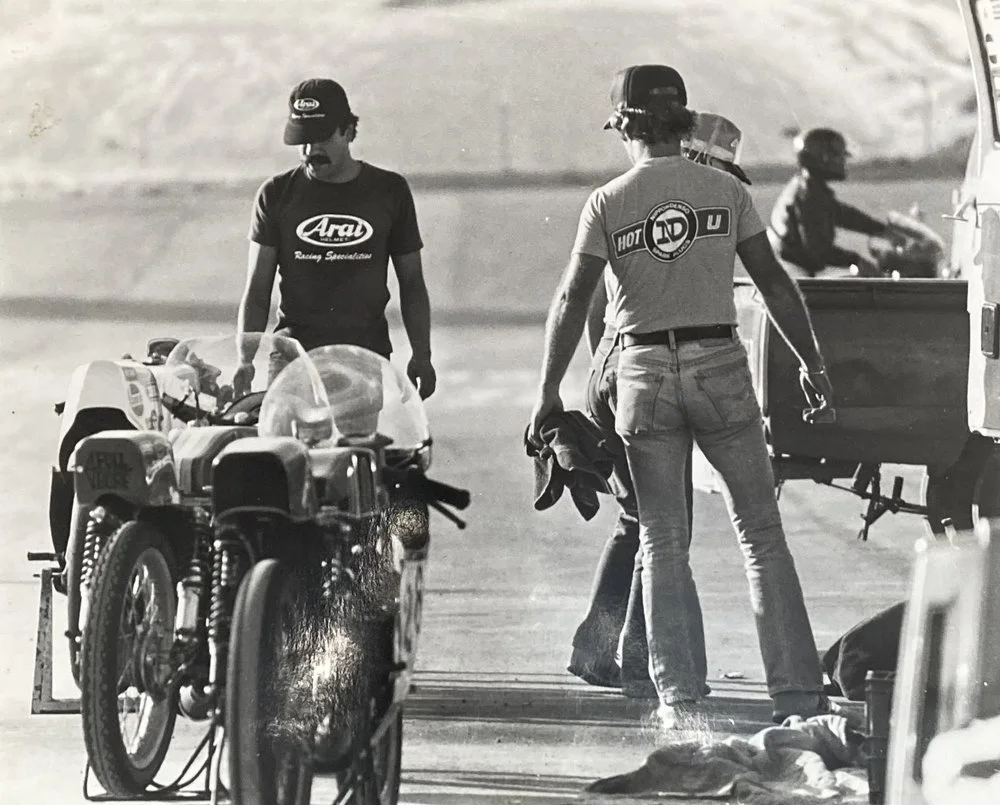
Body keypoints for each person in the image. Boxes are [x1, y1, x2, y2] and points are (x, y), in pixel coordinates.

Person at [527, 64, 834, 725]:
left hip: (641, 373)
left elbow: (574, 297)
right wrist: (811, 363)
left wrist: (548, 390)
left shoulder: (607, 202)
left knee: (661, 541)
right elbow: (774, 284)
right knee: (762, 535)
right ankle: (797, 693)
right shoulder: (725, 189)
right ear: (683, 121)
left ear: (625, 127)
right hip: (719, 361)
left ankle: (680, 698)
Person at [569, 112, 751, 699]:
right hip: (631, 366)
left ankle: (597, 649)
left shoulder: (635, 202)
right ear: (698, 157)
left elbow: (592, 302)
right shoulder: (678, 209)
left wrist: (602, 368)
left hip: (616, 365)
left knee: (640, 520)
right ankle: (637, 660)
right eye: (719, 167)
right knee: (663, 528)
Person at [235, 78, 437, 400]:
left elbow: (411, 283)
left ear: (349, 132)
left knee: (356, 437)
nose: (311, 151)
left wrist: (422, 355)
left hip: (364, 359)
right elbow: (258, 289)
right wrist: (245, 359)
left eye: (322, 138)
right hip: (293, 361)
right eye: (303, 140)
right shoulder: (275, 195)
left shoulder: (390, 191)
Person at [767, 127, 888, 278]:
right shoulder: (809, 195)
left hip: (787, 271)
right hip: (791, 277)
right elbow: (817, 251)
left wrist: (881, 229)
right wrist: (855, 260)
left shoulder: (808, 187)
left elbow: (842, 214)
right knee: (861, 284)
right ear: (824, 158)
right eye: (840, 157)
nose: (844, 162)